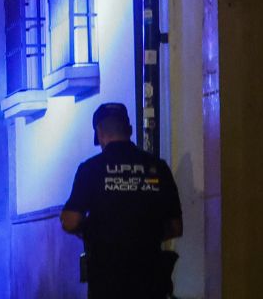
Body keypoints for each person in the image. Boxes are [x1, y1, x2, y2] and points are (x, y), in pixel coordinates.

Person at [60, 102, 182, 298]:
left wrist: (89, 233)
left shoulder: (91, 169)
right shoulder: (158, 167)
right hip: (150, 280)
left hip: (107, 280)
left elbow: (70, 221)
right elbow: (176, 227)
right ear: (130, 130)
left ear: (99, 133)